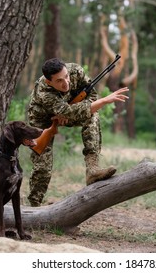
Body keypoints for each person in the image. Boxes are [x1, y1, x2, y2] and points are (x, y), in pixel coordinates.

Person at [27, 58, 129, 207]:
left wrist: (72, 110)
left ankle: (92, 169)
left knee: (93, 114)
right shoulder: (44, 91)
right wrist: (105, 100)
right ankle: (34, 206)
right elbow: (69, 111)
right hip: (41, 120)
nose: (66, 83)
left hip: (68, 109)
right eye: (59, 81)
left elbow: (92, 96)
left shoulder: (76, 70)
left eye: (66, 76)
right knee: (43, 167)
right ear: (49, 82)